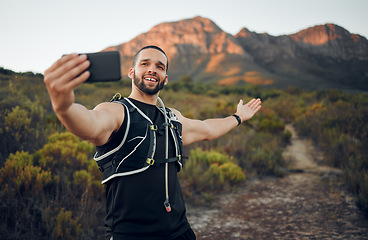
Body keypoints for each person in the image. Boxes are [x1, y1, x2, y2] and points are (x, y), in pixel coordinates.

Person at [43, 45, 262, 240]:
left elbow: (206, 129)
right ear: (132, 72)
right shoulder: (116, 111)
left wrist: (238, 117)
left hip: (180, 232)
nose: (152, 69)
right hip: (130, 234)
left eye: (160, 66)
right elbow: (89, 124)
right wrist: (63, 106)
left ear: (165, 78)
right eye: (144, 63)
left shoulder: (171, 117)